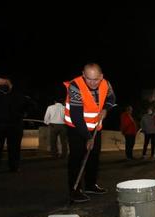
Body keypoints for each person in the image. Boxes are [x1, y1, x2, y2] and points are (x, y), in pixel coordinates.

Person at [64, 63, 116, 203]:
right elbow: (76, 116)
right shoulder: (75, 86)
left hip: (95, 127)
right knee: (77, 157)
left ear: (101, 76)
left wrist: (105, 109)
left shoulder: (106, 84)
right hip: (76, 128)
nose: (92, 83)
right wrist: (87, 137)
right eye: (88, 79)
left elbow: (111, 100)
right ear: (83, 75)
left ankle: (91, 185)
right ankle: (74, 190)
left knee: (94, 156)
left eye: (95, 79)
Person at [0, 74, 26, 172]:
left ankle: (14, 166)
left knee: (14, 148)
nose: (3, 84)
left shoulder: (18, 95)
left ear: (10, 84)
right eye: (0, 83)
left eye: (5, 82)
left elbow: (26, 106)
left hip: (14, 126)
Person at [44, 84, 68, 158]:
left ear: (55, 101)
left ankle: (54, 155)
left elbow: (46, 118)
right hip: (63, 126)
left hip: (53, 125)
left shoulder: (50, 107)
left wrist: (48, 123)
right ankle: (64, 155)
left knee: (53, 141)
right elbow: (67, 118)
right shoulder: (65, 108)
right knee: (63, 142)